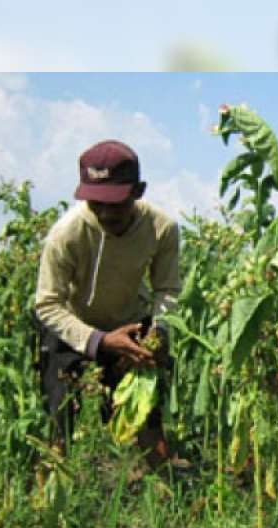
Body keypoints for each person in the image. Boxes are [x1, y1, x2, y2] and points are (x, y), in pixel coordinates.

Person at [35, 139, 181, 465]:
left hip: (130, 325)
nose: (104, 212)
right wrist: (98, 341)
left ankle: (165, 490)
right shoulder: (66, 234)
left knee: (147, 414)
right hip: (72, 326)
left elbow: (167, 290)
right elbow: (47, 305)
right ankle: (51, 497)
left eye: (114, 203)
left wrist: (158, 332)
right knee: (61, 418)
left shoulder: (162, 229)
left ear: (138, 190)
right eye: (95, 203)